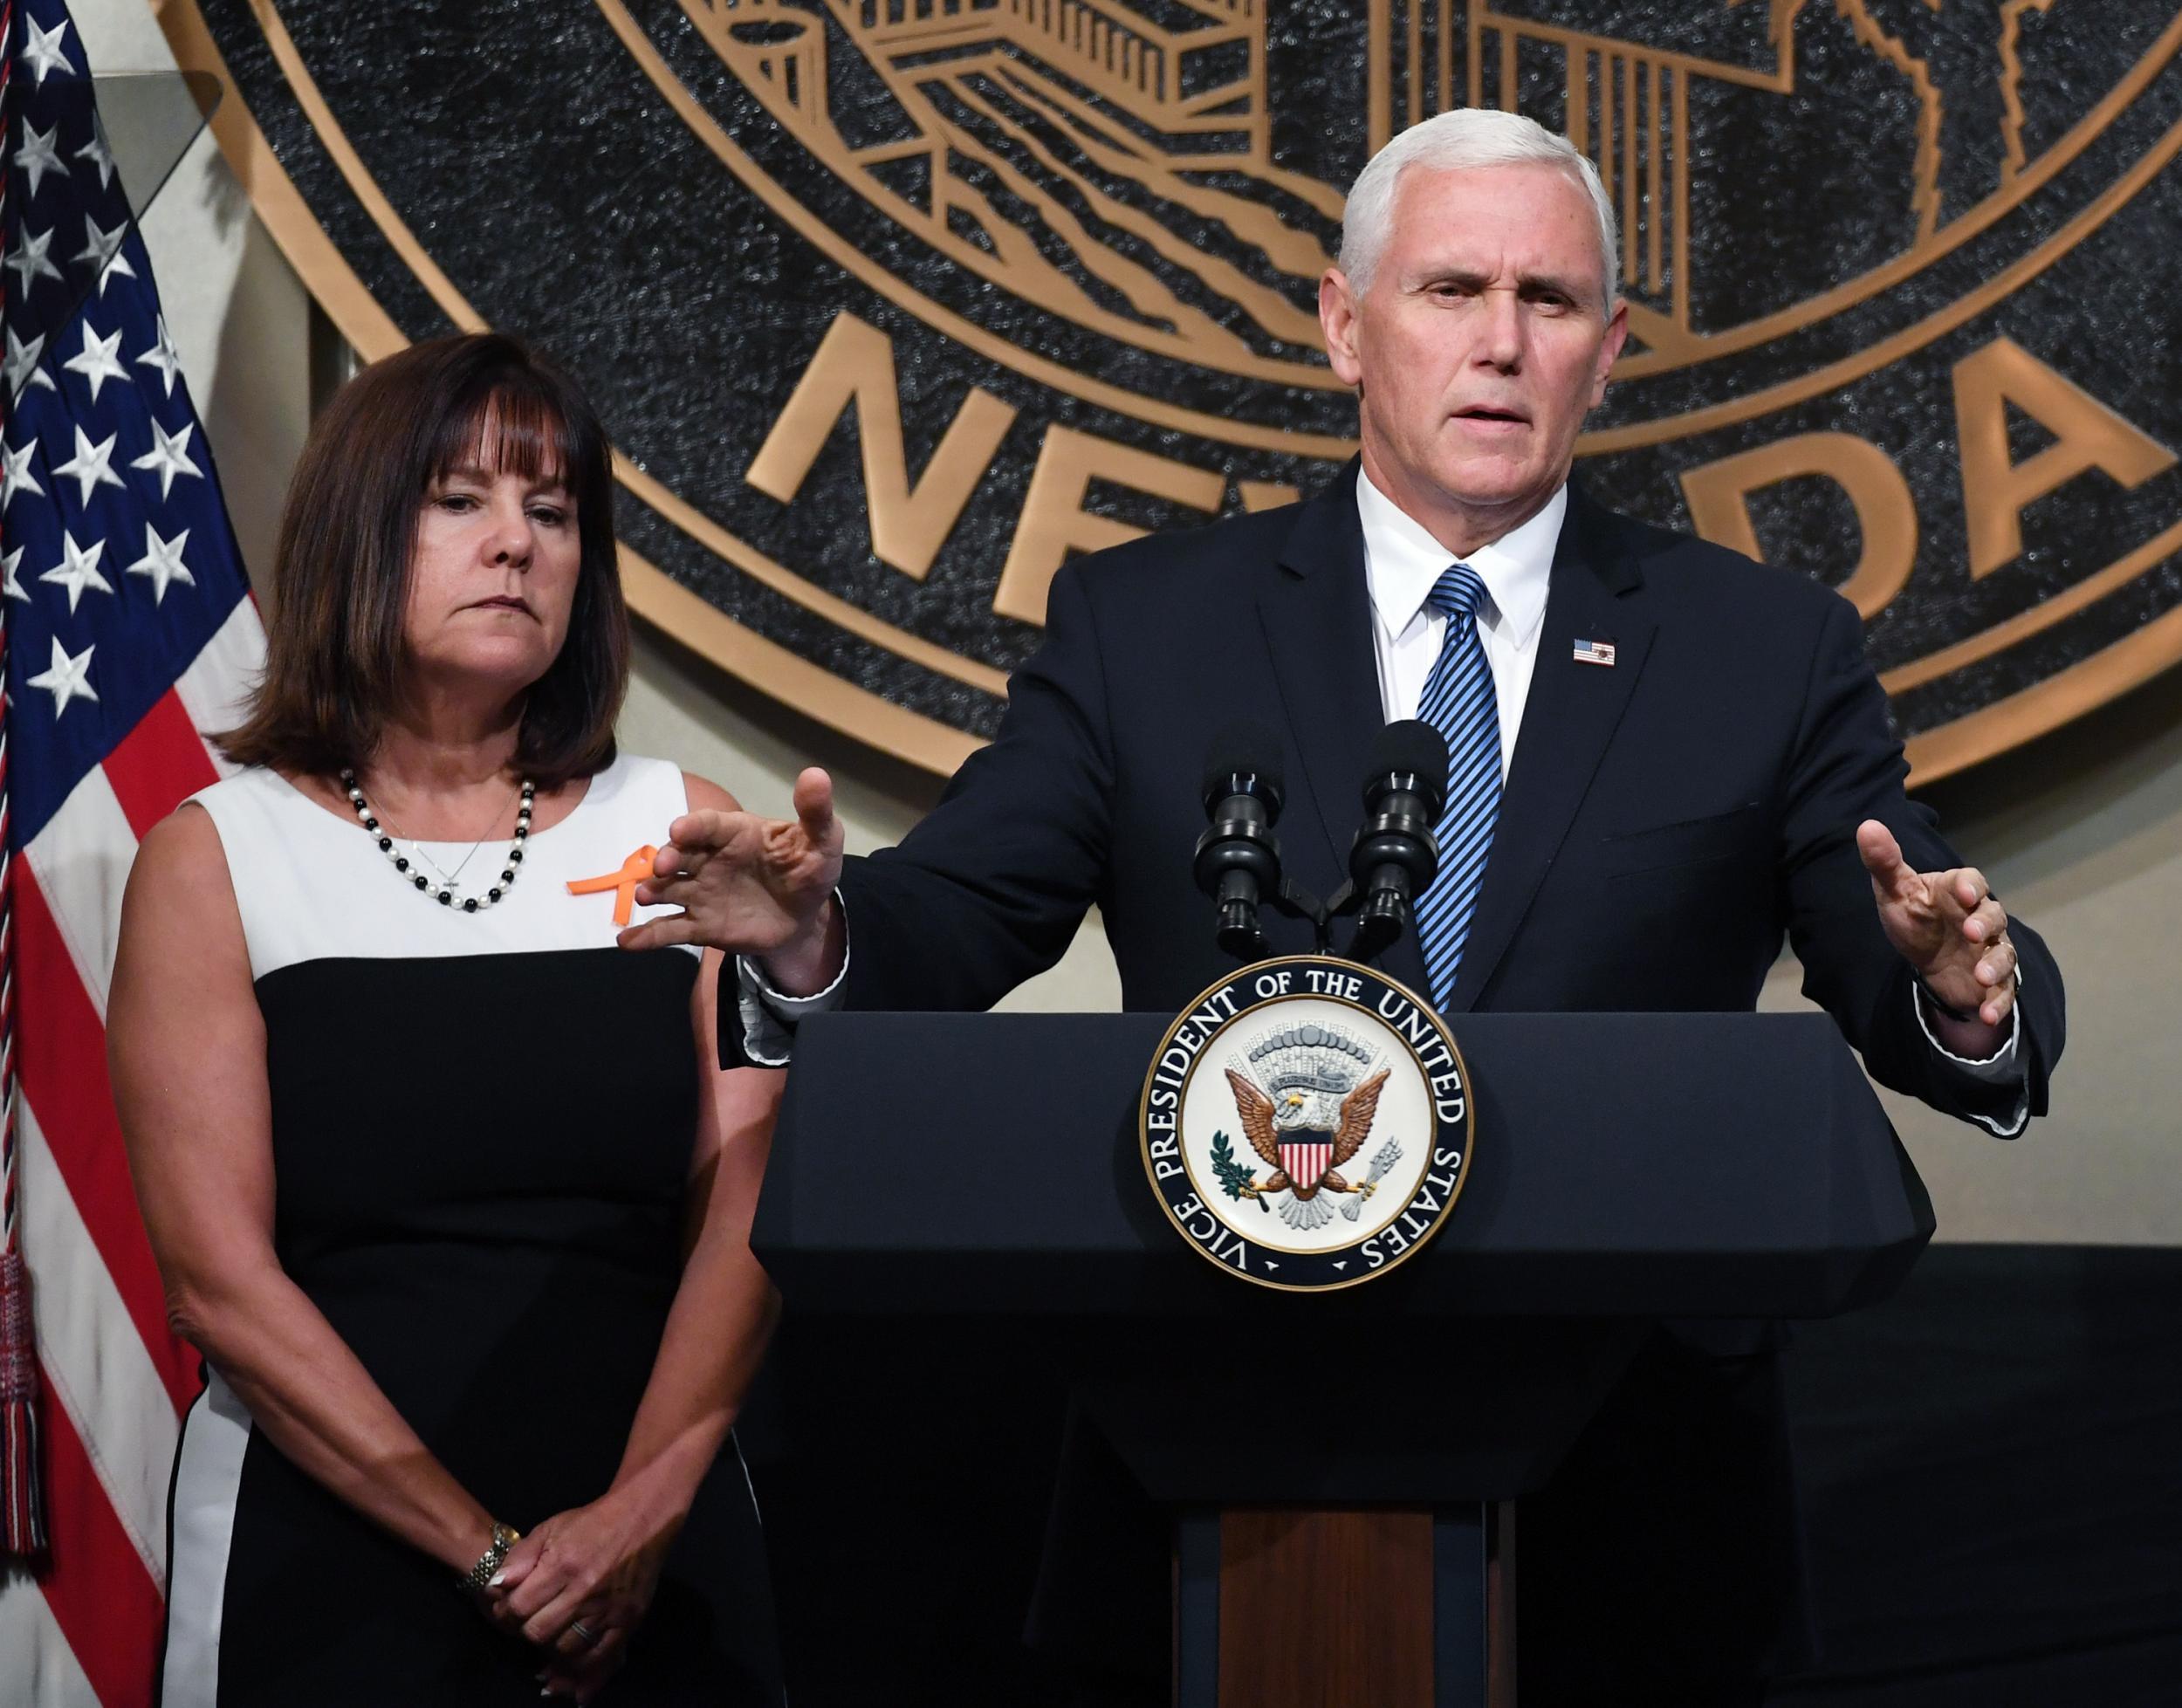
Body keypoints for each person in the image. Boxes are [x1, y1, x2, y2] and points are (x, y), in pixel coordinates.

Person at [623, 111, 2064, 1704]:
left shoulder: (1759, 642)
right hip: (1213, 1430)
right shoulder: (1150, 622)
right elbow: (961, 909)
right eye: (1452, 290)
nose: (1503, 344)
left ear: (1612, 348)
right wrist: (812, 936)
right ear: (1341, 323)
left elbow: (1896, 927)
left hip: (1630, 1469)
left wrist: (1960, 986)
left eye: (1552, 300)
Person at [109, 334, 786, 1706]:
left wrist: (633, 1523)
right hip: (330, 1558)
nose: (518, 545)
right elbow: (218, 1283)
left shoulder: (679, 826)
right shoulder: (216, 855)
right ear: (359, 529)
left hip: (654, 1546)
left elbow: (749, 1213)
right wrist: (486, 1553)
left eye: (552, 511)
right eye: (462, 500)